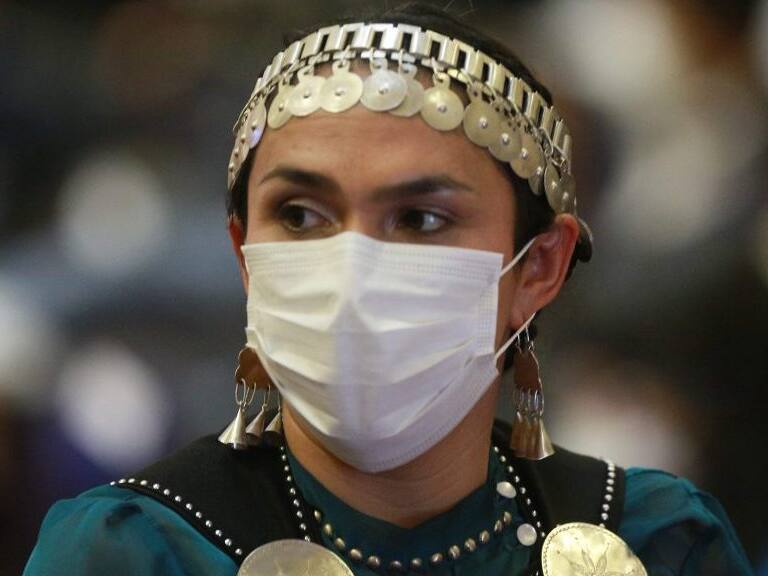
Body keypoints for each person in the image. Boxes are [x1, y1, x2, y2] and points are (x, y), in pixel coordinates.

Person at [24, 3, 753, 575]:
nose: (352, 270)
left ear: (539, 267)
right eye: (301, 214)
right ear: (245, 255)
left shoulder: (654, 540)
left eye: (420, 218)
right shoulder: (133, 551)